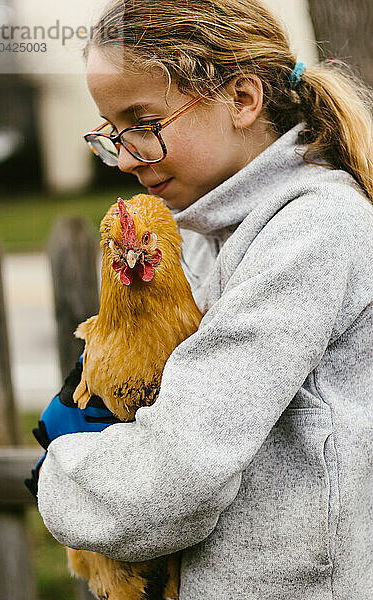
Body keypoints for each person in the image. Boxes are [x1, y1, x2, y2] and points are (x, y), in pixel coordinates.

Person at [33, 0, 373, 598]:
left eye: (144, 121)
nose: (129, 156)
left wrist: (63, 468)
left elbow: (179, 474)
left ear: (242, 99)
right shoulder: (200, 233)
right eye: (114, 134)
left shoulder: (315, 230)